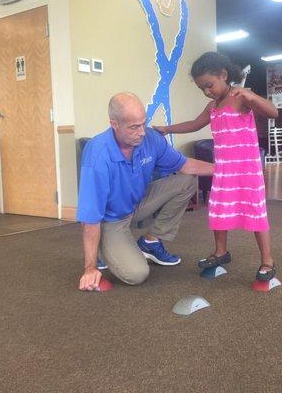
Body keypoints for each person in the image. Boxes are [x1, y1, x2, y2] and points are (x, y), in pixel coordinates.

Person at [154, 52, 279, 282]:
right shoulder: (212, 106)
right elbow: (194, 124)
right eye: (202, 88)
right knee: (219, 212)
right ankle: (221, 252)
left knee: (255, 213)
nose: (207, 91)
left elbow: (273, 112)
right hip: (223, 171)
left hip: (247, 172)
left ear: (224, 75)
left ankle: (267, 262)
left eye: (209, 85)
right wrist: (167, 129)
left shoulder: (241, 98)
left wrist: (251, 96)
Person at [78, 92, 214, 291]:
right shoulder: (98, 155)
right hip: (111, 220)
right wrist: (89, 267)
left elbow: (184, 165)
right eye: (134, 127)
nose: (142, 132)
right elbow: (90, 219)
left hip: (137, 203)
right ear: (114, 124)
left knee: (187, 182)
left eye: (144, 123)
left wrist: (224, 169)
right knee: (137, 274)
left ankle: (151, 242)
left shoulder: (149, 139)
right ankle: (103, 249)